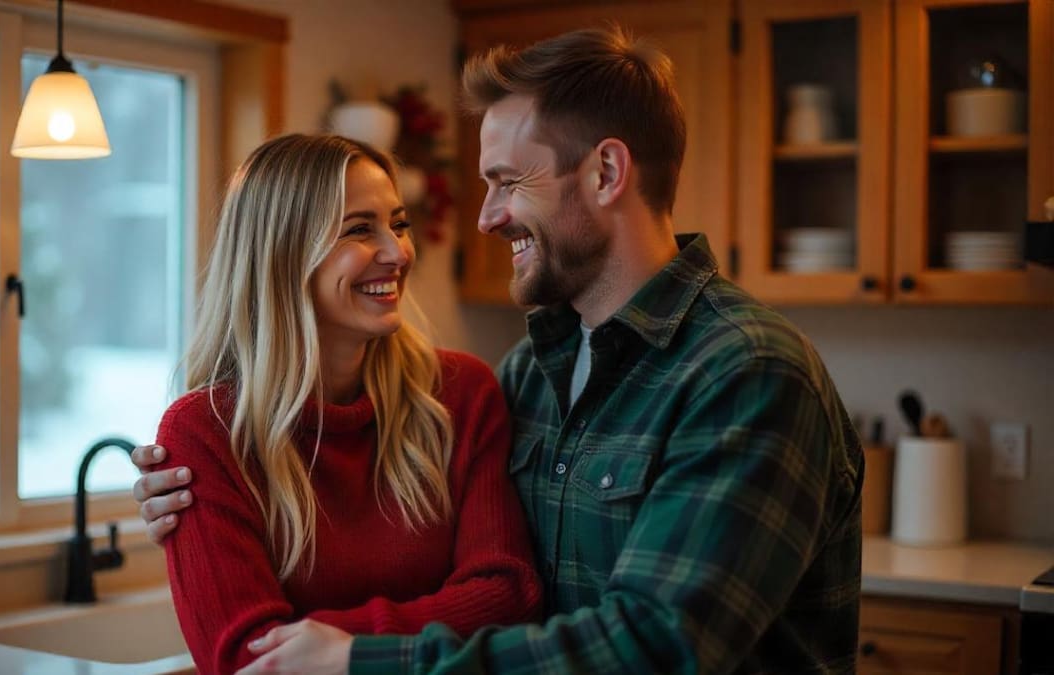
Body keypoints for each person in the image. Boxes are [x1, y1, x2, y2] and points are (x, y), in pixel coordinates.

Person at [134, 26, 863, 675]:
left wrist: (356, 655)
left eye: (507, 182)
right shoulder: (531, 376)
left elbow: (654, 646)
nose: (485, 218)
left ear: (606, 174)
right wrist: (192, 487)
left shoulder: (746, 372)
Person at [145, 133, 541, 675]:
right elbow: (245, 659)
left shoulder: (459, 394)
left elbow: (507, 596)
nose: (397, 252)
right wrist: (433, 626)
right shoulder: (204, 434)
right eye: (359, 229)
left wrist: (343, 651)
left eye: (398, 224)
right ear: (283, 253)